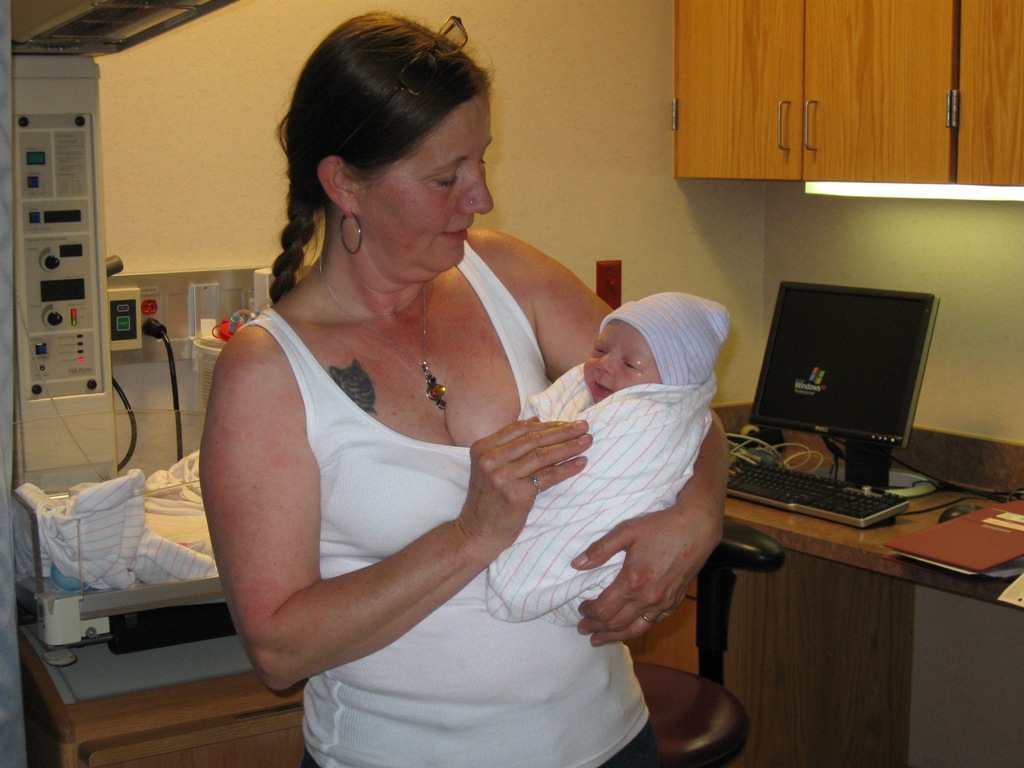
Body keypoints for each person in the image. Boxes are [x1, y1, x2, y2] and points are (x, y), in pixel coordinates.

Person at [199, 12, 728, 768]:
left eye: (480, 161)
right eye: (446, 178)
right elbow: (279, 650)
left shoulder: (507, 274)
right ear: (344, 183)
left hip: (610, 743)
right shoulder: (266, 373)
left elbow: (681, 404)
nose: (480, 197)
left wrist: (696, 516)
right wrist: (471, 534)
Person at [487, 292, 729, 626]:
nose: (603, 365)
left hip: (601, 582)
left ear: (673, 387)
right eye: (599, 350)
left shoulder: (652, 417)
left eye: (631, 365)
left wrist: (700, 513)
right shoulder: (588, 389)